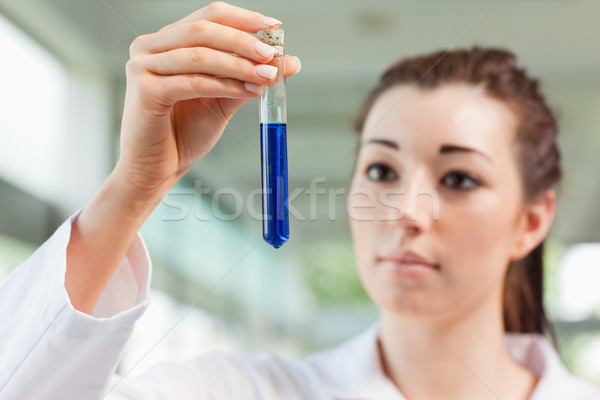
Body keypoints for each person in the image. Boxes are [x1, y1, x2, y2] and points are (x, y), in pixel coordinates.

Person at [0, 2, 598, 399]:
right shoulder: (242, 390)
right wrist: (135, 185)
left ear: (532, 219)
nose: (406, 211)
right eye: (382, 168)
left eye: (460, 178)